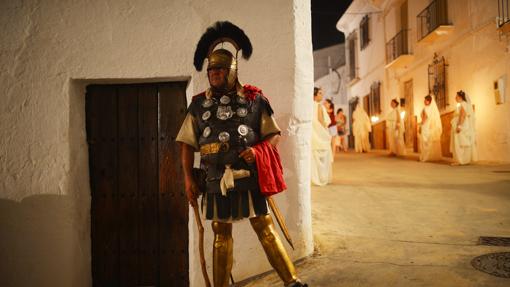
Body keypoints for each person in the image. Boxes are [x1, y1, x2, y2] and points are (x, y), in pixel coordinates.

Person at [176, 21, 307, 287]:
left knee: (265, 228)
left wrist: (258, 151)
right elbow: (186, 144)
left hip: (249, 176)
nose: (213, 73)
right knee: (220, 233)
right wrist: (188, 179)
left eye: (220, 69)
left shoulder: (254, 100)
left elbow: (274, 135)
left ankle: (292, 281)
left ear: (232, 70)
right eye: (211, 69)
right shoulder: (199, 104)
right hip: (214, 179)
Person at [311, 87, 333, 186]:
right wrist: (325, 131)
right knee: (324, 154)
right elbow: (321, 120)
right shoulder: (319, 106)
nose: (322, 95)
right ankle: (322, 177)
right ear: (314, 95)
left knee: (314, 156)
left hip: (312, 134)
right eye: (320, 93)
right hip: (318, 133)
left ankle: (313, 178)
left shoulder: (308, 106)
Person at [450, 90, 477, 165]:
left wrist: (459, 126)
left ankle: (460, 160)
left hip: (462, 124)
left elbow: (462, 116)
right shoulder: (463, 104)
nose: (455, 97)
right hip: (463, 124)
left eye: (456, 96)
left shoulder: (462, 104)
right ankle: (464, 160)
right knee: (463, 142)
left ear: (460, 97)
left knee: (459, 142)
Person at [419, 95, 442, 162]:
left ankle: (425, 157)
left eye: (426, 100)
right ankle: (427, 156)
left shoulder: (425, 109)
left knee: (425, 141)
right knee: (428, 141)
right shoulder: (431, 109)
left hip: (425, 126)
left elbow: (424, 118)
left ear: (429, 101)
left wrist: (421, 125)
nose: (425, 101)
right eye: (425, 100)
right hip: (429, 126)